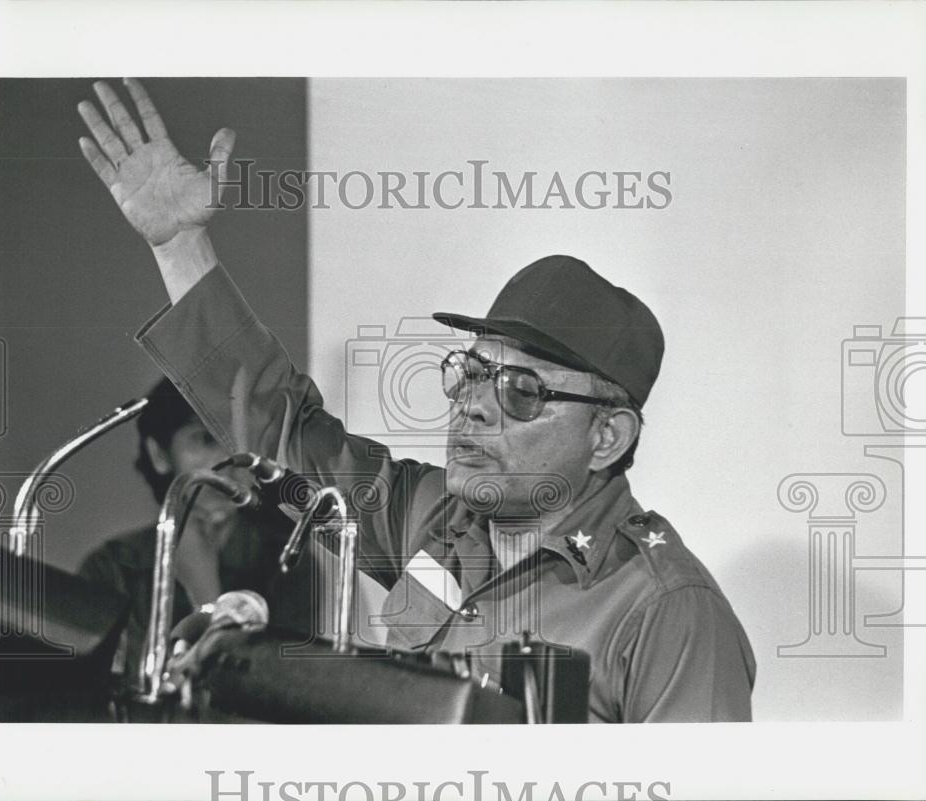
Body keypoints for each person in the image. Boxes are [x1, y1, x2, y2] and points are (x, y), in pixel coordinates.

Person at [77, 78, 756, 722]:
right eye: (471, 371)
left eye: (522, 390)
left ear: (606, 435)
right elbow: (280, 429)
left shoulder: (670, 611)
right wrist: (181, 247)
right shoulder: (432, 519)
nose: (472, 404)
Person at [78, 376, 297, 685]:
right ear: (159, 454)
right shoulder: (112, 568)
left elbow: (282, 694)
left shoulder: (288, 563)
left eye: (238, 443)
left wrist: (207, 596)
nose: (225, 461)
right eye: (204, 440)